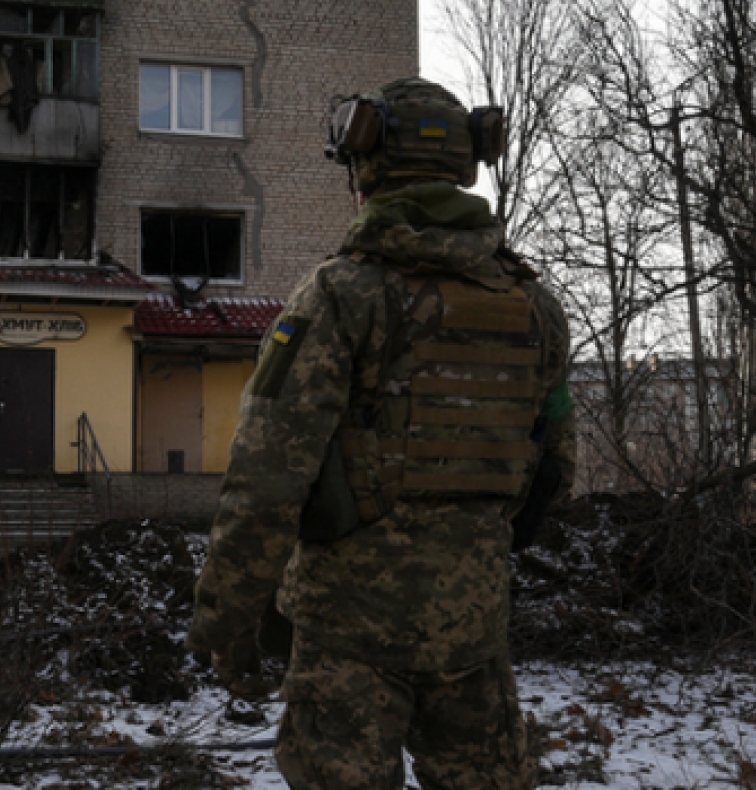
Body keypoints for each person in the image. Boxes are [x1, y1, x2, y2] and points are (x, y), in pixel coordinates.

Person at [187, 78, 574, 790]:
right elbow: (551, 476)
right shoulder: (535, 307)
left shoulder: (340, 295)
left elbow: (266, 481)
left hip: (346, 639)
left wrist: (226, 623)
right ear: (465, 168)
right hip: (473, 634)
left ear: (366, 170)